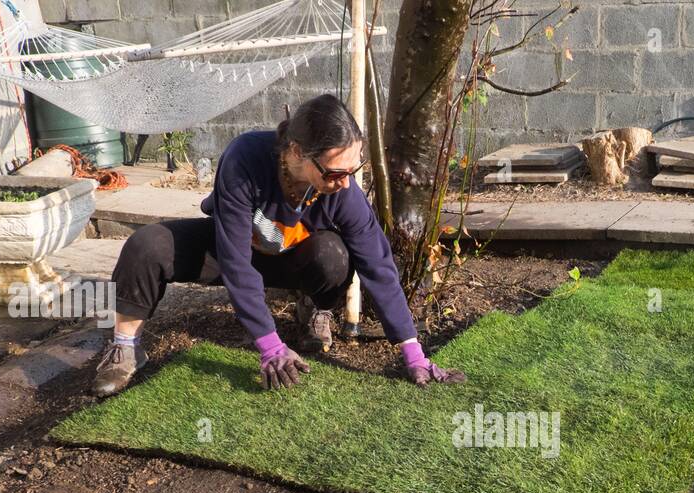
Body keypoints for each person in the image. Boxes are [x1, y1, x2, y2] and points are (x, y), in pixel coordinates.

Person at [91, 93, 466, 395]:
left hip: (291, 260)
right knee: (147, 244)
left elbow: (378, 264)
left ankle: (314, 311)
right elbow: (236, 262)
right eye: (336, 173)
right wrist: (268, 344)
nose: (346, 183)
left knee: (333, 253)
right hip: (232, 251)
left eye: (352, 171)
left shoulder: (342, 191)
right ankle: (126, 347)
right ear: (296, 153)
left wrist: (413, 353)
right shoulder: (245, 159)